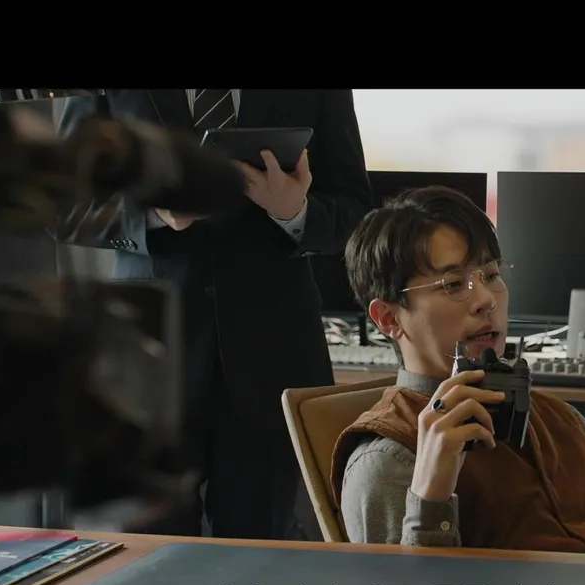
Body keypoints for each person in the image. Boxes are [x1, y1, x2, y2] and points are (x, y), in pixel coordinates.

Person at [57, 90, 372, 539]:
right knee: (151, 559)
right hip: (149, 360)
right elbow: (64, 203)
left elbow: (355, 210)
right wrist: (156, 214)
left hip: (273, 355)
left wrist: (295, 211)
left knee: (259, 554)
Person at [329, 186, 585, 555]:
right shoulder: (388, 459)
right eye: (452, 284)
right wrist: (430, 495)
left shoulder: (564, 421)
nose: (485, 300)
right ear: (389, 318)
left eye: (491, 274)